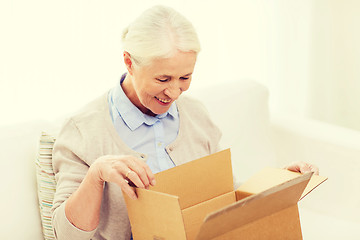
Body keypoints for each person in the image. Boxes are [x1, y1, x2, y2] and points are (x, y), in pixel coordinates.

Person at [51, 5, 319, 240]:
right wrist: (96, 174)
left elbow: (226, 200)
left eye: (185, 78)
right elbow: (66, 235)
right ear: (129, 62)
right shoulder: (82, 131)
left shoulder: (196, 115)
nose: (175, 93)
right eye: (163, 79)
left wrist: (280, 184)